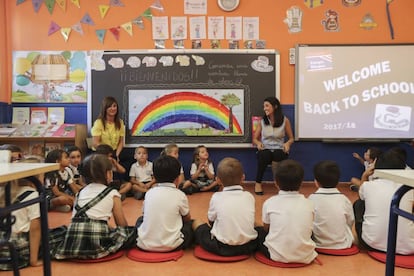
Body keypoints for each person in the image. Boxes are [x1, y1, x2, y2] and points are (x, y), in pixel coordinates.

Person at [52, 154, 136, 260]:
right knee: (132, 232)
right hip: (98, 243)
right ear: (108, 174)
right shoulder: (113, 193)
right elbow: (122, 225)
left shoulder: (80, 192)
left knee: (60, 232)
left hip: (73, 241)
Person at [193, 157, 258, 256]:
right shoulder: (249, 196)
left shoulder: (216, 197)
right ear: (243, 178)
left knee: (196, 223)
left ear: (218, 180)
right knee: (257, 225)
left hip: (222, 247)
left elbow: (211, 221)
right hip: (249, 245)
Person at [353, 149, 414, 254]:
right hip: (409, 247)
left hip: (371, 244)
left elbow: (361, 196)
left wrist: (364, 176)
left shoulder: (369, 186)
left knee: (359, 204)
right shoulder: (409, 188)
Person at [257, 159, 317, 264]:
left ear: (276, 182)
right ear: (301, 182)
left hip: (275, 254)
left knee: (258, 231)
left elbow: (267, 228)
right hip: (305, 255)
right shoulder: (309, 203)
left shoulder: (269, 202)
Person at [135, 155, 194, 252]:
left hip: (144, 245)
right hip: (172, 245)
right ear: (178, 178)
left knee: (140, 220)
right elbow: (187, 218)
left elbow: (144, 214)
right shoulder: (180, 195)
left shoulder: (149, 193)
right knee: (190, 225)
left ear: (154, 176)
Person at [0, 157, 44, 270]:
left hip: (2, 243)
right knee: (54, 235)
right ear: (38, 177)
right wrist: (33, 260)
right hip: (15, 253)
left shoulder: (5, 191)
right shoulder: (33, 196)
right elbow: (35, 229)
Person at [252, 96, 294, 195]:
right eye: (264, 106)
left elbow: (291, 138)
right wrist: (258, 143)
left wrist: (287, 143)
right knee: (264, 156)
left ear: (275, 107)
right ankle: (258, 184)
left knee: (278, 155)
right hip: (265, 148)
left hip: (279, 148)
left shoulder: (285, 120)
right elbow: (254, 138)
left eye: (267, 106)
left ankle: (279, 183)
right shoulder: (262, 121)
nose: (264, 108)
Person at [308, 160, 354, 249]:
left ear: (316, 182)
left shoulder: (311, 199)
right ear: (337, 182)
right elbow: (350, 221)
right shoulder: (344, 199)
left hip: (318, 243)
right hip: (343, 244)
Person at [91, 96, 125, 161]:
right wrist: (107, 155)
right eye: (109, 106)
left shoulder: (120, 122)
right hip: (100, 154)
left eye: (114, 106)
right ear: (105, 108)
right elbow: (95, 143)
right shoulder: (99, 123)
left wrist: (116, 156)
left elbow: (121, 142)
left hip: (114, 153)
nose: (112, 108)